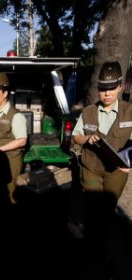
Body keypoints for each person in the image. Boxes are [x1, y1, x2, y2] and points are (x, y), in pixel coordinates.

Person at [72, 61, 132, 279]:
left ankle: (101, 246)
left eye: (111, 88)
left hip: (117, 171)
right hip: (91, 168)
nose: (106, 93)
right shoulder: (88, 112)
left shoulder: (129, 112)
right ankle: (90, 252)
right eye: (102, 88)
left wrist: (129, 163)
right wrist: (87, 137)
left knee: (107, 211)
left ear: (119, 87)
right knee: (93, 209)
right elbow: (76, 136)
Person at [0, 72, 27, 204]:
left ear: (5, 93)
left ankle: (10, 220)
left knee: (11, 192)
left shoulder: (16, 116)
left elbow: (22, 140)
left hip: (10, 160)